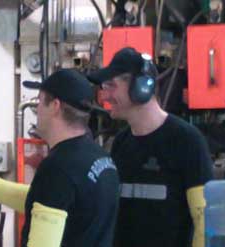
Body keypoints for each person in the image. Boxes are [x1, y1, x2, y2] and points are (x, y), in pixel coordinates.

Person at [0, 69, 120, 247]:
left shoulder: (59, 167)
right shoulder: (100, 158)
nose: (36, 109)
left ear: (55, 106)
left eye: (39, 101)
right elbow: (38, 199)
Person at [87, 47, 213, 247]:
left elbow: (203, 221)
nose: (105, 96)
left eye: (111, 86)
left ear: (142, 87)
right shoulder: (121, 143)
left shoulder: (187, 141)